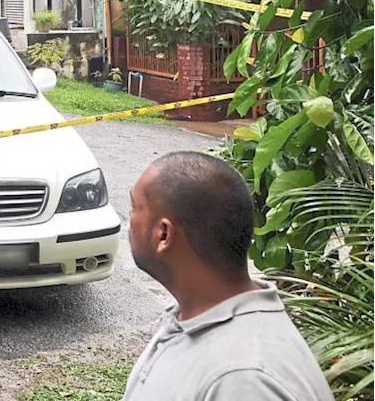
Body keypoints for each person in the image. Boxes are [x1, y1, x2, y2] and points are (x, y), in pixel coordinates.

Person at [124, 151, 333, 400]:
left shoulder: (243, 380)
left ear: (163, 235)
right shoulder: (194, 319)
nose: (129, 220)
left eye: (134, 207)